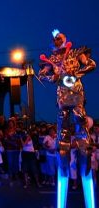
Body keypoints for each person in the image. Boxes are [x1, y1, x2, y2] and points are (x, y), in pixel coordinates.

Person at [39, 29, 96, 208]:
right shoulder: (53, 58)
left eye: (59, 38)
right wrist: (54, 75)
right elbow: (42, 74)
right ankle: (62, 145)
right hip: (63, 94)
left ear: (65, 39)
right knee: (62, 119)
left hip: (77, 92)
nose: (57, 41)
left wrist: (77, 73)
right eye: (55, 39)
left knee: (80, 117)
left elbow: (91, 64)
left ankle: (83, 143)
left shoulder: (76, 53)